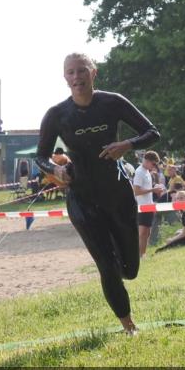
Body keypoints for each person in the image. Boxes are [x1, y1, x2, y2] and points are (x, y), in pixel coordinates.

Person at [36, 53, 160, 335]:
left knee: (129, 270)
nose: (76, 77)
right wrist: (55, 169)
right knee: (106, 265)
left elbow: (152, 132)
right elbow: (40, 156)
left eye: (82, 71)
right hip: (82, 197)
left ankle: (119, 265)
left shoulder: (112, 102)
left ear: (94, 73)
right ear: (64, 77)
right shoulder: (57, 114)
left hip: (116, 193)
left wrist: (126, 144)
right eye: (70, 72)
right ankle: (128, 326)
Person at [133, 150, 165, 257]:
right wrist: (152, 190)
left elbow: (145, 188)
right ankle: (139, 255)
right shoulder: (139, 172)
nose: (154, 166)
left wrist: (155, 188)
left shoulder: (146, 171)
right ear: (147, 161)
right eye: (153, 163)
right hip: (142, 206)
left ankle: (143, 254)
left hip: (148, 206)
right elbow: (136, 191)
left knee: (147, 233)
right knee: (142, 232)